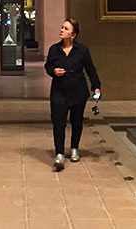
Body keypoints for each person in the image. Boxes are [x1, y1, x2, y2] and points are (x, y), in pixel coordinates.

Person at [44, 18, 101, 171]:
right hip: (59, 91)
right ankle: (60, 153)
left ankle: (74, 147)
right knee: (58, 121)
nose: (62, 30)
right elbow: (48, 66)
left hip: (77, 91)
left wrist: (96, 87)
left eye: (66, 29)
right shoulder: (54, 49)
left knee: (77, 121)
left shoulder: (82, 50)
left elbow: (91, 69)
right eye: (62, 27)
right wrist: (53, 71)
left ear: (73, 35)